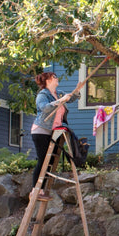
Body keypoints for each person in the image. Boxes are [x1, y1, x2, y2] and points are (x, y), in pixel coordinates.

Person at [30, 72, 79, 200]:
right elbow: (44, 108)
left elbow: (71, 98)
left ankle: (42, 190)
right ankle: (35, 190)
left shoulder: (58, 93)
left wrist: (77, 91)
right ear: (48, 80)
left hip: (52, 130)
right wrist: (61, 100)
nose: (57, 79)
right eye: (54, 77)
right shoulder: (43, 95)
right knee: (42, 160)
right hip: (41, 130)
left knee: (50, 161)